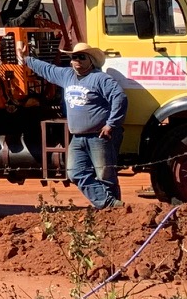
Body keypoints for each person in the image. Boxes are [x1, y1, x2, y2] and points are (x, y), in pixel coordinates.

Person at [24, 42, 129, 208]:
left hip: (99, 136)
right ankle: (110, 204)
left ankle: (113, 212)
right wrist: (26, 58)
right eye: (74, 57)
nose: (77, 60)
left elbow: (119, 98)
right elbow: (47, 69)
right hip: (78, 137)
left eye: (82, 57)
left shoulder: (100, 78)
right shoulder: (66, 75)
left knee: (105, 174)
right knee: (75, 172)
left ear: (91, 61)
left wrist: (111, 124)